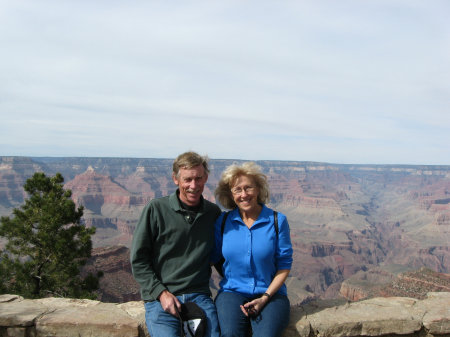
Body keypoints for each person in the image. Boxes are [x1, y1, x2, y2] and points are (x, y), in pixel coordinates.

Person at [131, 151, 221, 337]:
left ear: (205, 178)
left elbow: (221, 257)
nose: (193, 186)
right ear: (175, 179)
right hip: (162, 296)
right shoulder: (156, 209)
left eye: (198, 178)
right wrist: (161, 294)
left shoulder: (213, 213)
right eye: (187, 179)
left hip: (200, 296)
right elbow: (139, 261)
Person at [212, 162, 293, 337]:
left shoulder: (278, 221)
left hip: (271, 294)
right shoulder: (224, 222)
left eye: (248, 188)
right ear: (230, 194)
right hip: (232, 292)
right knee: (230, 334)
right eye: (237, 190)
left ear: (258, 189)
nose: (244, 194)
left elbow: (284, 265)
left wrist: (265, 297)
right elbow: (216, 258)